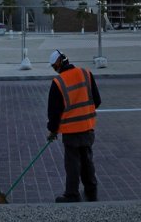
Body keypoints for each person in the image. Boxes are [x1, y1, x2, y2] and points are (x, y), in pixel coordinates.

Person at [46, 49, 101, 203]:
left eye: (53, 66)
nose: (54, 70)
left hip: (71, 132)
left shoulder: (58, 82)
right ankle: (91, 191)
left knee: (72, 164)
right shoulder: (86, 74)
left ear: (57, 64)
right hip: (88, 128)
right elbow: (96, 100)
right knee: (87, 160)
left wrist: (52, 131)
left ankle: (72, 195)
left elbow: (54, 113)